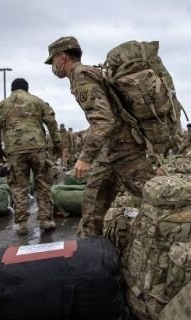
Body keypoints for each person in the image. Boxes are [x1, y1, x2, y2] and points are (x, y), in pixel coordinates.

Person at [45, 36, 155, 236]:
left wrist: (85, 157)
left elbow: (104, 120)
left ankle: (186, 227)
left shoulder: (81, 76)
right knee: (93, 200)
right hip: (111, 149)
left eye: (52, 61)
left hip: (123, 148)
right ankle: (91, 248)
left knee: (153, 196)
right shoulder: (86, 73)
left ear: (62, 58)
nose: (52, 66)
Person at [0, 78, 61, 235]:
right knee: (43, 184)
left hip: (15, 151)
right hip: (38, 148)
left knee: (19, 187)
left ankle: (22, 223)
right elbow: (51, 122)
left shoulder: (2, 105)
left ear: (12, 89)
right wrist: (57, 144)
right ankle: (45, 220)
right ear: (27, 89)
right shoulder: (37, 101)